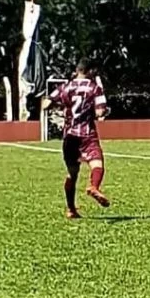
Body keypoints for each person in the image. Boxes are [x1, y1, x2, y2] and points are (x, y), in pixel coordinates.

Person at [41, 58, 111, 219]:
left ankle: (71, 209)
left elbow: (46, 104)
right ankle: (93, 186)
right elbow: (100, 113)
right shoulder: (95, 88)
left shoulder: (65, 87)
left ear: (78, 70)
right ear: (91, 71)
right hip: (87, 134)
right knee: (97, 163)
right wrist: (104, 111)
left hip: (69, 136)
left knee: (72, 173)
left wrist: (58, 105)